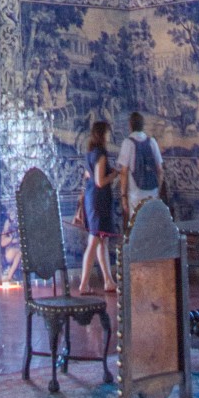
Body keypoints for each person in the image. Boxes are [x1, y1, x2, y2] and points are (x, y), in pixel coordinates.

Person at [76, 120, 117, 292]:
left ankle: (109, 281)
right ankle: (84, 283)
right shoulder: (101, 154)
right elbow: (100, 181)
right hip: (99, 201)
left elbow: (89, 176)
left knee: (101, 241)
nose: (109, 135)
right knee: (94, 241)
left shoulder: (90, 153)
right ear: (102, 134)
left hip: (93, 199)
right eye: (107, 132)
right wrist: (114, 174)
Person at [117, 112, 163, 225]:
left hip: (135, 194)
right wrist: (158, 190)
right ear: (143, 125)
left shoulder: (128, 143)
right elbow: (160, 170)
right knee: (152, 227)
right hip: (153, 192)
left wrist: (123, 196)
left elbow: (123, 172)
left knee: (137, 228)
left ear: (130, 125)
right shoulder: (152, 142)